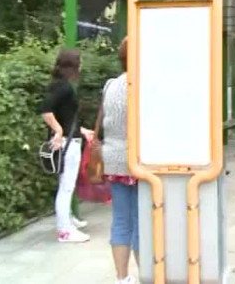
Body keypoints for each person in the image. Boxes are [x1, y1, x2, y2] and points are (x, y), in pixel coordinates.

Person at [40, 48, 94, 243]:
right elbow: (46, 111)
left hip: (68, 140)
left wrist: (82, 130)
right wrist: (59, 130)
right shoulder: (64, 88)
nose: (82, 64)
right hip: (67, 144)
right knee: (67, 187)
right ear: (74, 64)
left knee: (66, 185)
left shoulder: (57, 85)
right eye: (80, 61)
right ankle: (65, 230)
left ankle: (68, 220)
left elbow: (65, 116)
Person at [101, 38, 138, 284]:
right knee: (144, 222)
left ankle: (122, 278)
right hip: (139, 163)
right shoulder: (142, 85)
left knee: (121, 221)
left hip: (114, 162)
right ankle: (148, 275)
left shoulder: (111, 85)